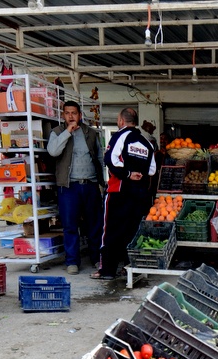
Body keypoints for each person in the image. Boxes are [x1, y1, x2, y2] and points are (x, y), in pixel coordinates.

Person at [91, 106, 157, 281]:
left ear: (121, 120)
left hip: (118, 192)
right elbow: (151, 170)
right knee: (133, 232)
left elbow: (110, 160)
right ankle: (130, 269)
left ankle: (107, 270)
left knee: (111, 231)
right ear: (135, 121)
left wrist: (127, 174)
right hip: (139, 196)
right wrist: (137, 174)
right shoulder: (147, 143)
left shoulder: (119, 136)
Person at [47, 101, 104, 274]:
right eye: (67, 113)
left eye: (74, 113)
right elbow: (53, 152)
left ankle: (96, 259)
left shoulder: (91, 133)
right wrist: (67, 133)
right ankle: (72, 261)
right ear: (63, 115)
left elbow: (100, 158)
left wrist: (102, 183)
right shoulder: (57, 132)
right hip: (69, 186)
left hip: (90, 184)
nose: (71, 116)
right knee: (70, 225)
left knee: (94, 225)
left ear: (80, 115)